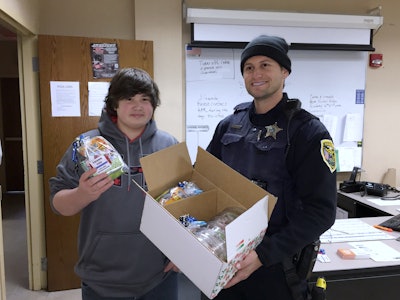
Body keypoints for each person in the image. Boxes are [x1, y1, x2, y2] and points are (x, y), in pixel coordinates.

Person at [204, 35, 337, 300]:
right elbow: (205, 180)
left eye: (266, 65)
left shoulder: (307, 132)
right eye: (249, 68)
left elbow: (321, 212)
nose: (256, 74)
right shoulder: (229, 125)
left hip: (274, 269)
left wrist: (262, 256)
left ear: (285, 71)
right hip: (223, 258)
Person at [49, 67, 179, 300]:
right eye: (128, 99)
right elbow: (58, 203)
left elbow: (187, 202)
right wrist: (82, 194)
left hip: (158, 277)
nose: (138, 106)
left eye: (145, 99)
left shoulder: (168, 145)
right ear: (114, 105)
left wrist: (184, 253)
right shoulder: (87, 145)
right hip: (101, 279)